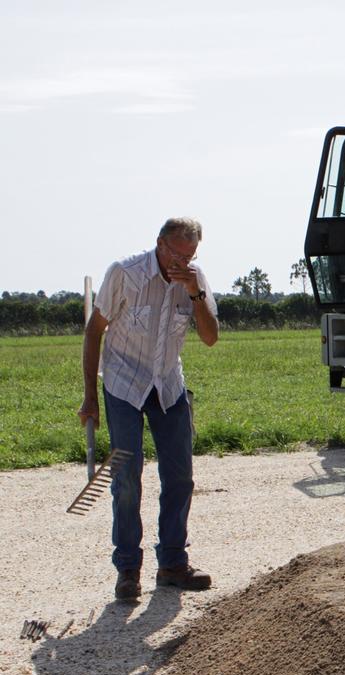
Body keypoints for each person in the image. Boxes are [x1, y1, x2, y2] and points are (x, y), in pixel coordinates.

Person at [78, 218, 219, 601]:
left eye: (190, 255)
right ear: (159, 244)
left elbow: (210, 337)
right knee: (126, 477)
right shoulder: (124, 274)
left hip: (168, 386)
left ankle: (172, 563)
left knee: (180, 478)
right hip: (123, 385)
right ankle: (128, 569)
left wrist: (194, 294)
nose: (182, 261)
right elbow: (95, 331)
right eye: (176, 253)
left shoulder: (195, 280)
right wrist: (90, 396)